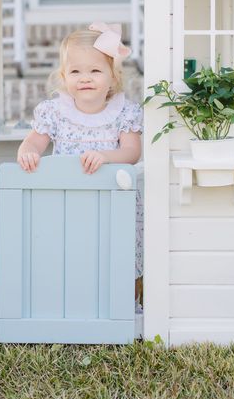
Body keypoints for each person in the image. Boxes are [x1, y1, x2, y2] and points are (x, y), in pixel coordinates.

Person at [17, 22, 143, 307]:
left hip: (113, 201)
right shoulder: (55, 112)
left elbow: (132, 151)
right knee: (70, 251)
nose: (85, 78)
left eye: (95, 70)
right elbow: (35, 141)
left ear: (113, 75)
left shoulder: (124, 112)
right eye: (75, 71)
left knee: (114, 251)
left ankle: (122, 304)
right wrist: (28, 152)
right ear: (64, 76)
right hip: (67, 200)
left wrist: (106, 156)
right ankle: (70, 302)